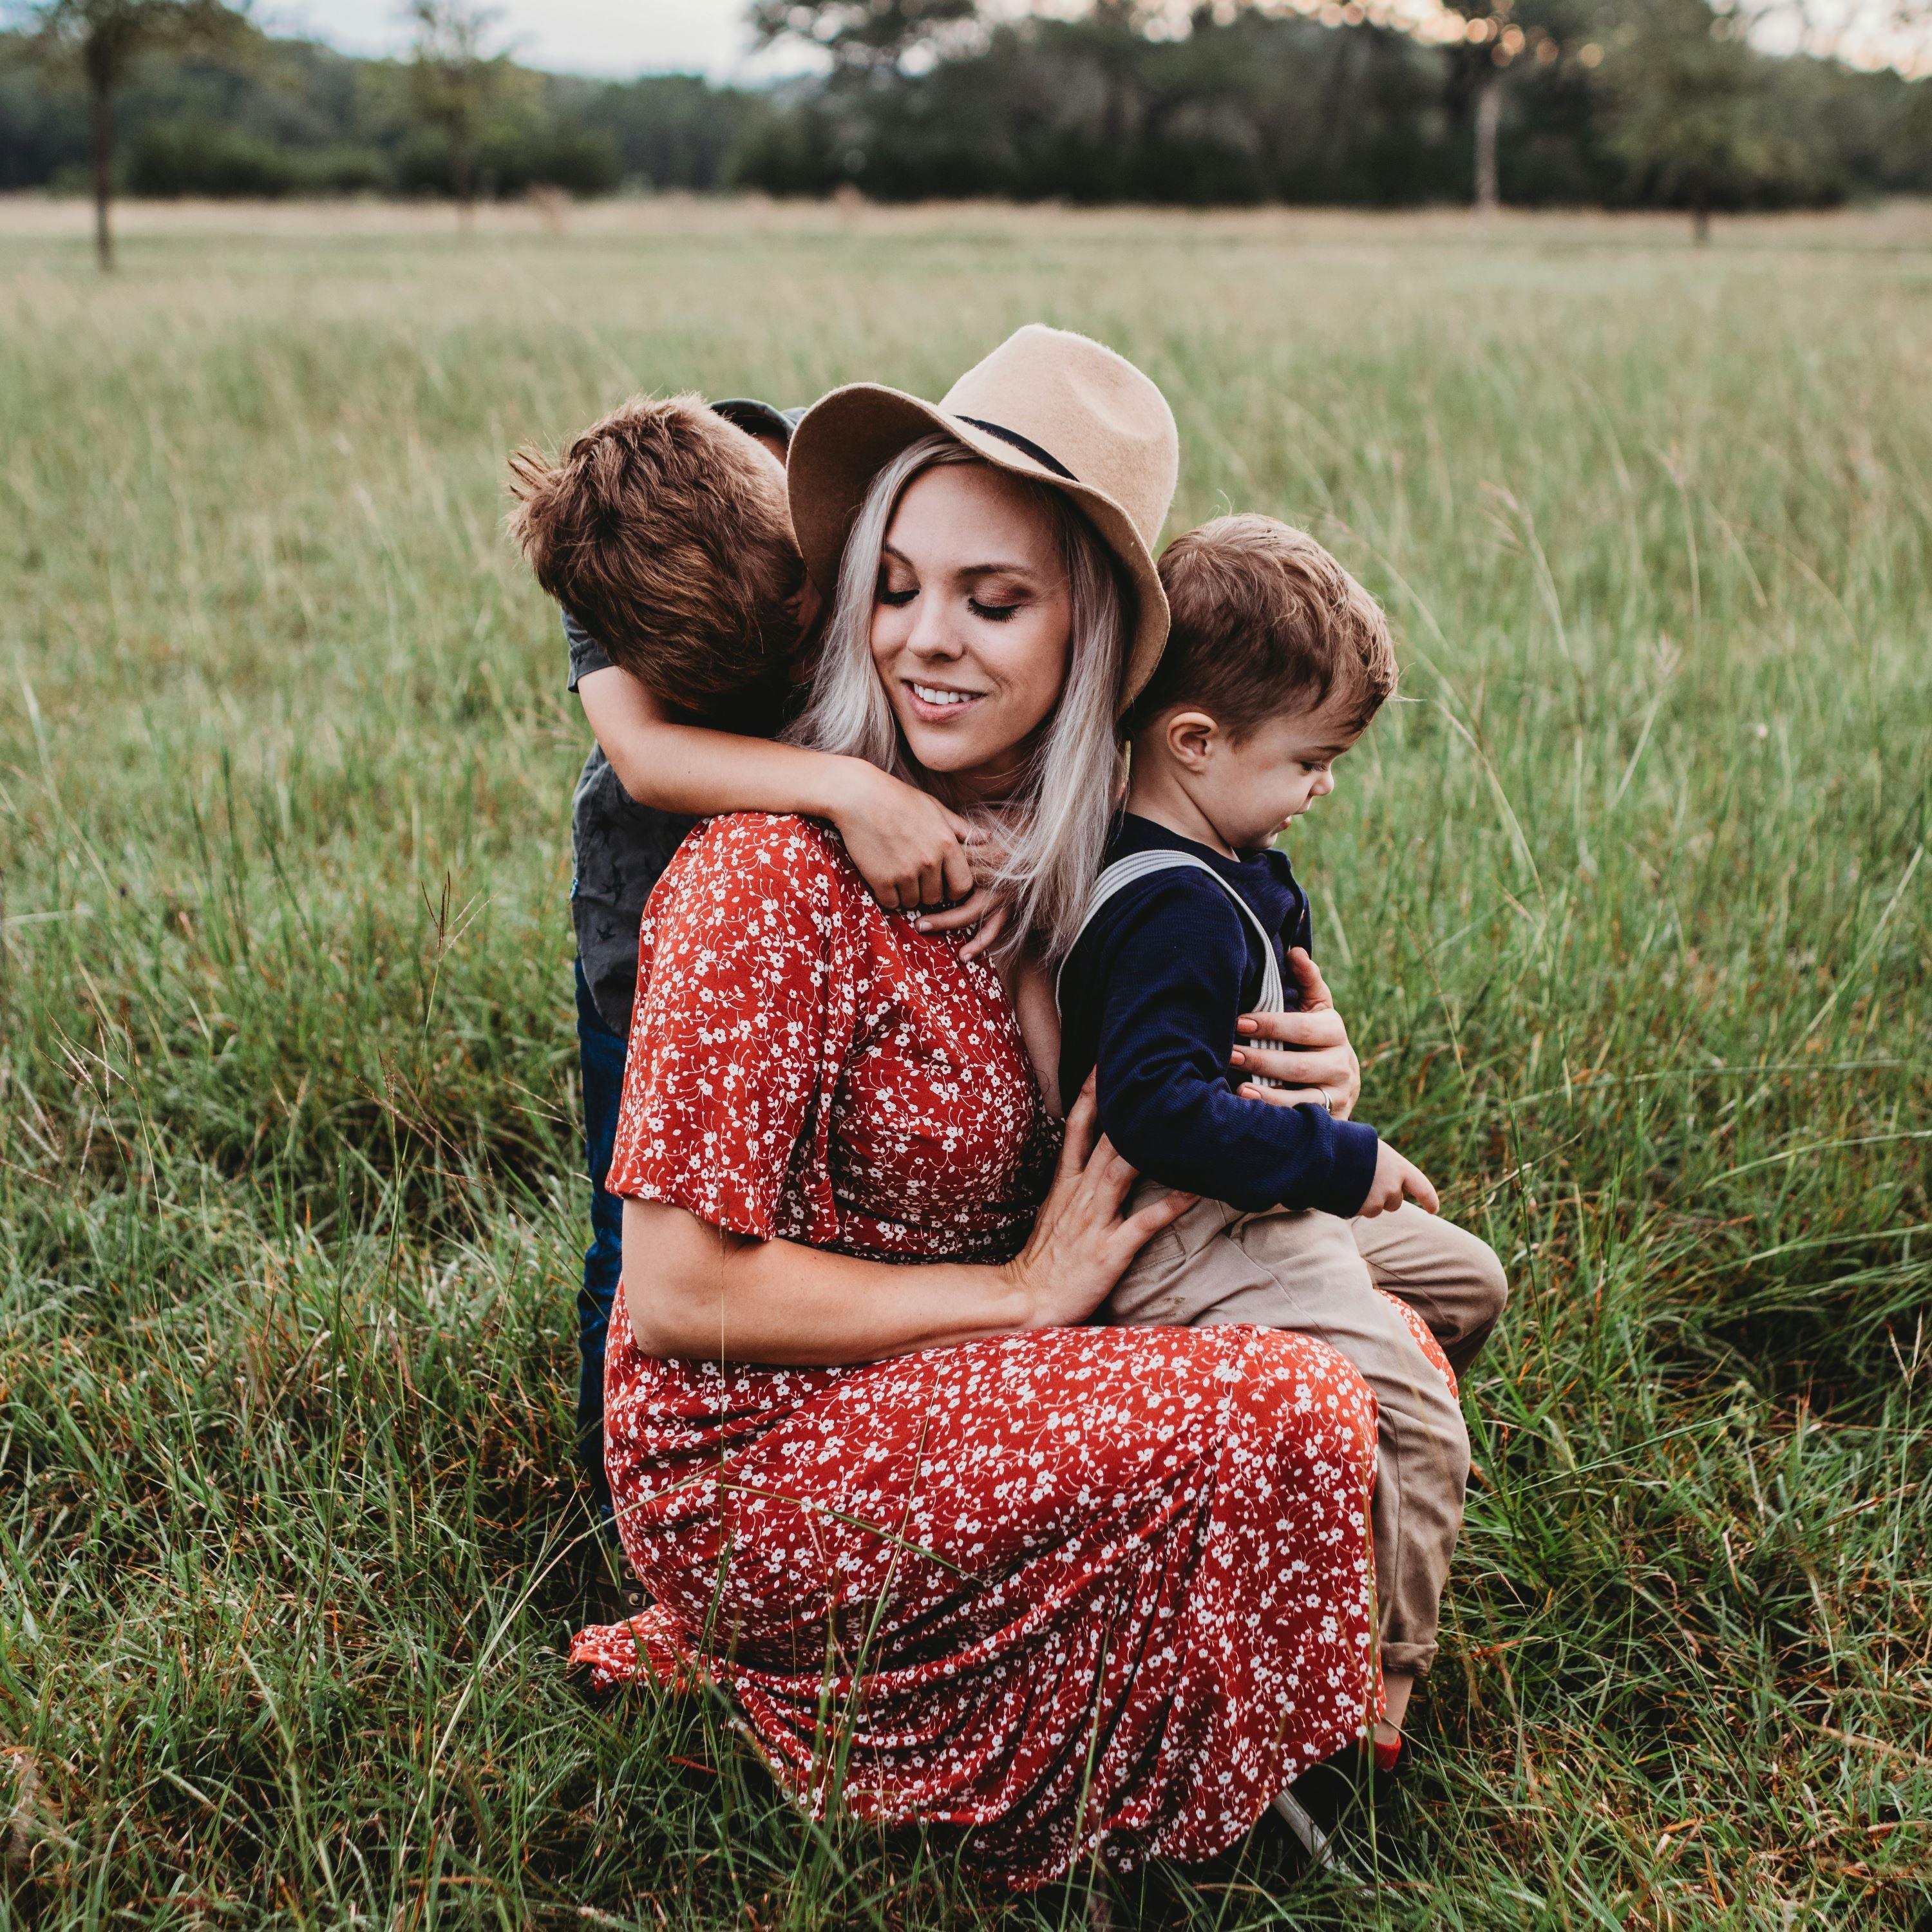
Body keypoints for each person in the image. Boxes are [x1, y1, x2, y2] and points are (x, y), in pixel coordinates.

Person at [569, 327, 1388, 1888]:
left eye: (991, 602)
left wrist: (1313, 1069)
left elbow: (1193, 1101)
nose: (923, 642)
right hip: (765, 1454)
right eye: (896, 587)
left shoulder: (1089, 862)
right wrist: (1019, 1298)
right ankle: (1154, 1812)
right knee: (1294, 1404)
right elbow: (675, 1300)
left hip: (979, 1377)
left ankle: (1149, 1707)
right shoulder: (768, 874)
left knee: (1389, 1330)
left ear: (1096, 646)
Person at [1055, 513, 1508, 1779]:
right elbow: (1153, 1111)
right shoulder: (1165, 910)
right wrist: (1342, 1162)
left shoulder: (1221, 854)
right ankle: (1372, 1701)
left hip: (1261, 1210)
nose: (1327, 784)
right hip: (1193, 1238)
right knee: (1419, 1413)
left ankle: (1325, 1521)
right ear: (1195, 743)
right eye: (1312, 758)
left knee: (1466, 1282)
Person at [507, 394, 994, 1518]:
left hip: (835, 917)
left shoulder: (800, 483)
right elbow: (641, 753)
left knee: (827, 1193)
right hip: (646, 911)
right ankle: (622, 1506)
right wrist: (844, 787)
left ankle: (825, 1430)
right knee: (637, 1227)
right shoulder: (612, 548)